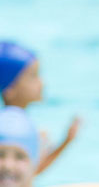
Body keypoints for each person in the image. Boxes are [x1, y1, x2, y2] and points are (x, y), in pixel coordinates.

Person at [0, 41, 82, 176]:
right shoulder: (15, 128)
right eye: (33, 76)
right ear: (10, 90)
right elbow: (24, 177)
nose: (41, 83)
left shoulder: (12, 122)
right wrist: (65, 143)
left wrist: (65, 141)